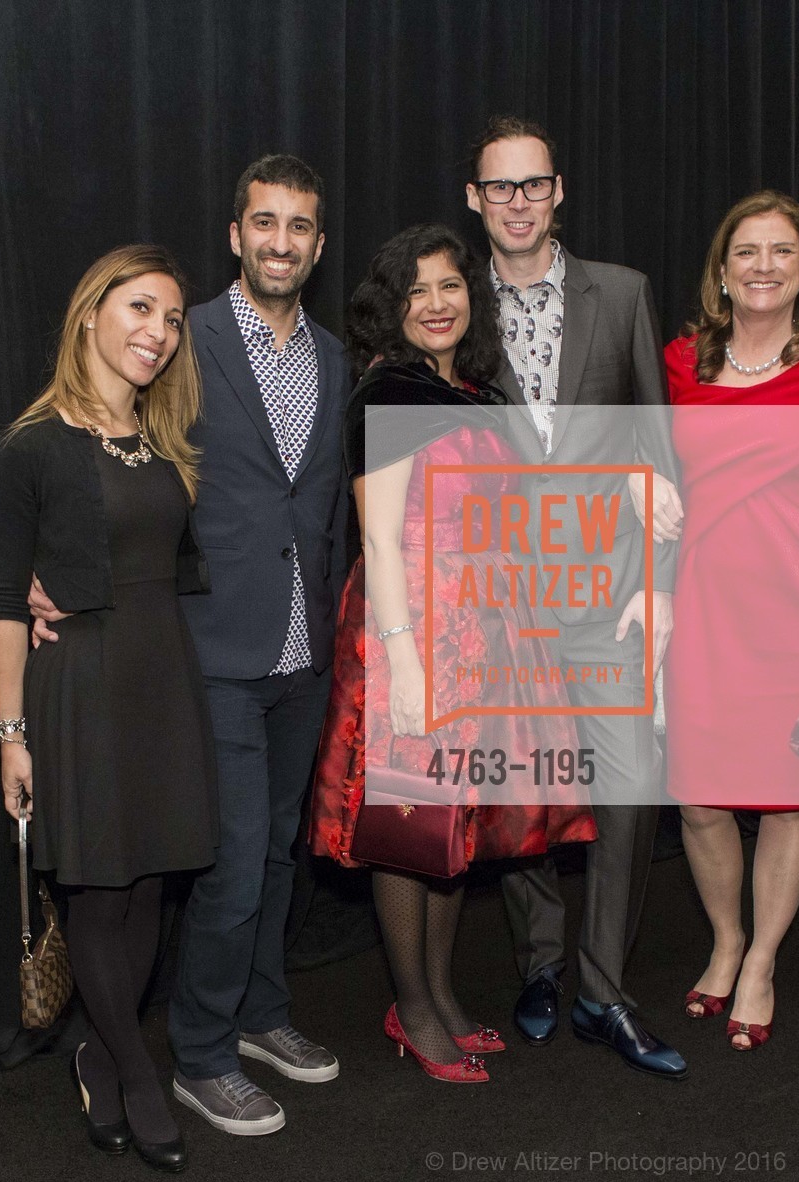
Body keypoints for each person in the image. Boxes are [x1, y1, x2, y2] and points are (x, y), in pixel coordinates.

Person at [31, 154, 351, 1133]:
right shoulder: (187, 336)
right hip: (210, 647)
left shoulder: (335, 358)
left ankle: (260, 1014)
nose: (282, 242)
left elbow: (322, 499)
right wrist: (60, 569)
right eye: (266, 223)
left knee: (284, 852)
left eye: (299, 226)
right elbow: (102, 436)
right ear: (236, 234)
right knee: (236, 855)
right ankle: (202, 1054)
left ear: (318, 245)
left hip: (306, 649)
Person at [308, 223, 596, 1084]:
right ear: (391, 310)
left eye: (450, 287)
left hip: (479, 627)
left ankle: (432, 993)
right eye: (416, 291)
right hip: (412, 628)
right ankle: (416, 1010)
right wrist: (403, 664)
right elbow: (383, 541)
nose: (435, 304)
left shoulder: (470, 391)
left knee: (452, 822)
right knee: (407, 824)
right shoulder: (390, 391)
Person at [465, 115, 689, 1079]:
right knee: (523, 796)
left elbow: (660, 454)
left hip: (611, 600)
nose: (518, 202)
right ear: (475, 202)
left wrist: (664, 590)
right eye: (499, 188)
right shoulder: (449, 306)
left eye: (533, 184)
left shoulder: (624, 294)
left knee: (631, 790)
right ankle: (542, 965)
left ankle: (604, 990)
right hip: (507, 608)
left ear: (560, 192)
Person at [0, 244, 213, 1172]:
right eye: (138, 309)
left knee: (152, 879)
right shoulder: (28, 448)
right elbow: (3, 604)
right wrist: (11, 735)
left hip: (162, 676)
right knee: (98, 886)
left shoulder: (165, 444)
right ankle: (135, 1069)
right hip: (78, 689)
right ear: (91, 314)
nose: (155, 332)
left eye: (170, 318)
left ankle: (96, 1049)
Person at [663, 192, 799, 1050]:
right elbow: (649, 472)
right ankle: (724, 940)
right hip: (705, 610)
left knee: (788, 801)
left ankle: (761, 962)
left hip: (797, 609)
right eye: (745, 251)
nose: (762, 265)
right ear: (722, 270)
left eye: (780, 251)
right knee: (701, 800)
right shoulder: (680, 362)